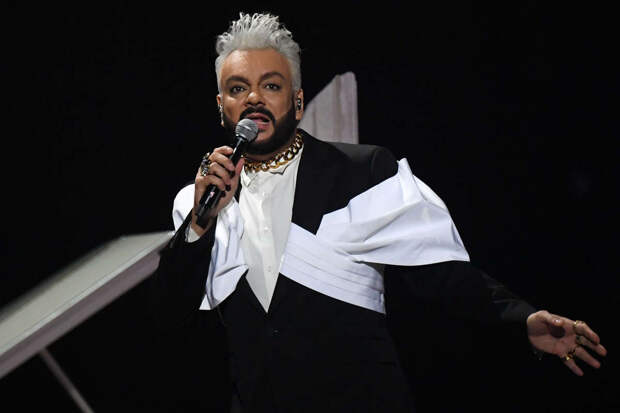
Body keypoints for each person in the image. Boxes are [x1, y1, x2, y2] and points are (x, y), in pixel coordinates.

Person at [150, 12, 607, 412]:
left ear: (298, 101)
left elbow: (442, 273)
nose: (254, 98)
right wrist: (202, 221)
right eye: (238, 88)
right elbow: (171, 313)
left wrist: (521, 318)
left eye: (271, 85)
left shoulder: (362, 170)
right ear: (222, 107)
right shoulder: (198, 202)